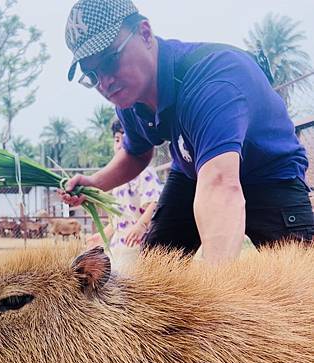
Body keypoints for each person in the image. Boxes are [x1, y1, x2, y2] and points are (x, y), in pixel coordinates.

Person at [60, 0, 314, 264]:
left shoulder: (211, 81)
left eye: (110, 61)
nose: (105, 82)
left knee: (304, 284)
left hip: (269, 174)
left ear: (145, 34)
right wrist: (96, 182)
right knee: (157, 265)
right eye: (92, 74)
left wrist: (213, 295)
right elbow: (136, 153)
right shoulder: (130, 98)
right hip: (194, 170)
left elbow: (220, 185)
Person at [86, 119, 162, 266]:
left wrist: (141, 226)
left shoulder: (145, 173)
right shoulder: (119, 179)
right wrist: (103, 236)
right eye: (117, 140)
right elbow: (118, 220)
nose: (120, 144)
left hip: (136, 245)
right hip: (117, 247)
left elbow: (155, 202)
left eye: (126, 138)